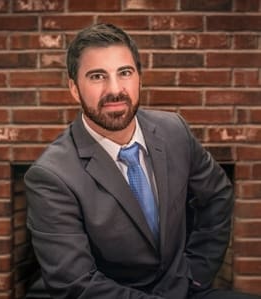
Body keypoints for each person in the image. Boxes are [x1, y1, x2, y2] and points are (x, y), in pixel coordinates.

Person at [24, 23, 261, 299]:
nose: (115, 90)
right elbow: (77, 285)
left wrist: (195, 275)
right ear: (74, 89)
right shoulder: (51, 175)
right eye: (97, 76)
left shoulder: (174, 130)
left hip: (183, 288)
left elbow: (218, 196)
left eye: (124, 73)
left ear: (139, 78)